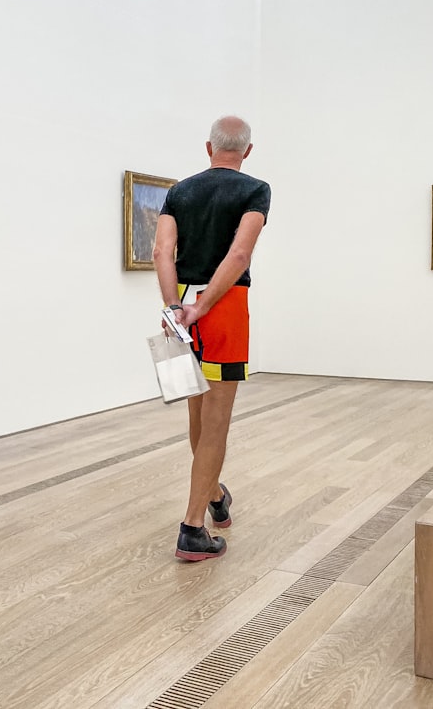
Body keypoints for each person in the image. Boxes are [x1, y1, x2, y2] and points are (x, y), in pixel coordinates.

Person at [152, 115, 270, 562]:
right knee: (216, 424)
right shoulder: (255, 190)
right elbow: (240, 253)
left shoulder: (180, 191)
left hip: (179, 308)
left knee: (196, 417)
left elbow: (163, 251)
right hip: (223, 308)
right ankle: (192, 528)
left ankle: (216, 494)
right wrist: (203, 306)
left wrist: (175, 307)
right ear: (247, 151)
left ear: (208, 148)